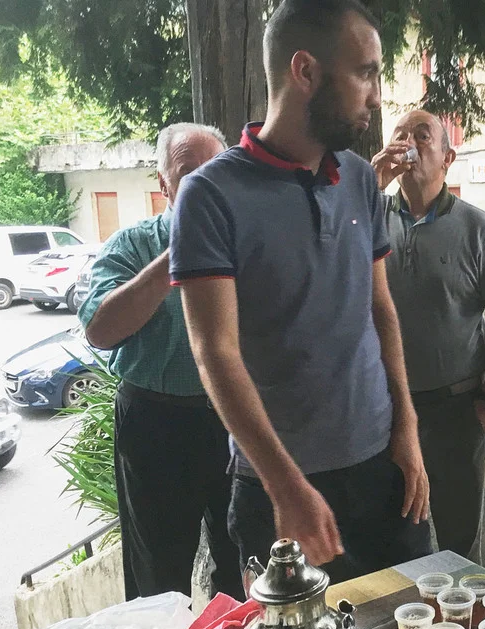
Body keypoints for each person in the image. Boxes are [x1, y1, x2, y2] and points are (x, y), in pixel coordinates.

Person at [168, 0, 432, 581]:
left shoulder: (360, 178)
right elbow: (215, 351)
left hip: (383, 468)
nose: (377, 96)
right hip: (279, 489)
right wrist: (285, 487)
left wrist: (407, 430)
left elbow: (381, 311)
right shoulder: (210, 196)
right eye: (364, 73)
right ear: (305, 71)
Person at [79, 122, 243, 601]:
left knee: (243, 564)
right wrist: (179, 252)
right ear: (164, 184)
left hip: (235, 419)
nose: (203, 182)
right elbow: (100, 330)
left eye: (214, 170)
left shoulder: (249, 243)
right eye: (188, 172)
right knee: (158, 576)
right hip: (156, 425)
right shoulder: (132, 245)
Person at [371, 110, 485, 559]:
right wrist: (371, 185)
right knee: (393, 537)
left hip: (456, 408)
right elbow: (328, 251)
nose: (408, 143)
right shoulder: (370, 215)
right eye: (400, 134)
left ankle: (466, 606)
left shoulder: (476, 226)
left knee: (459, 541)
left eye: (422, 135)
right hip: (386, 410)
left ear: (447, 158)